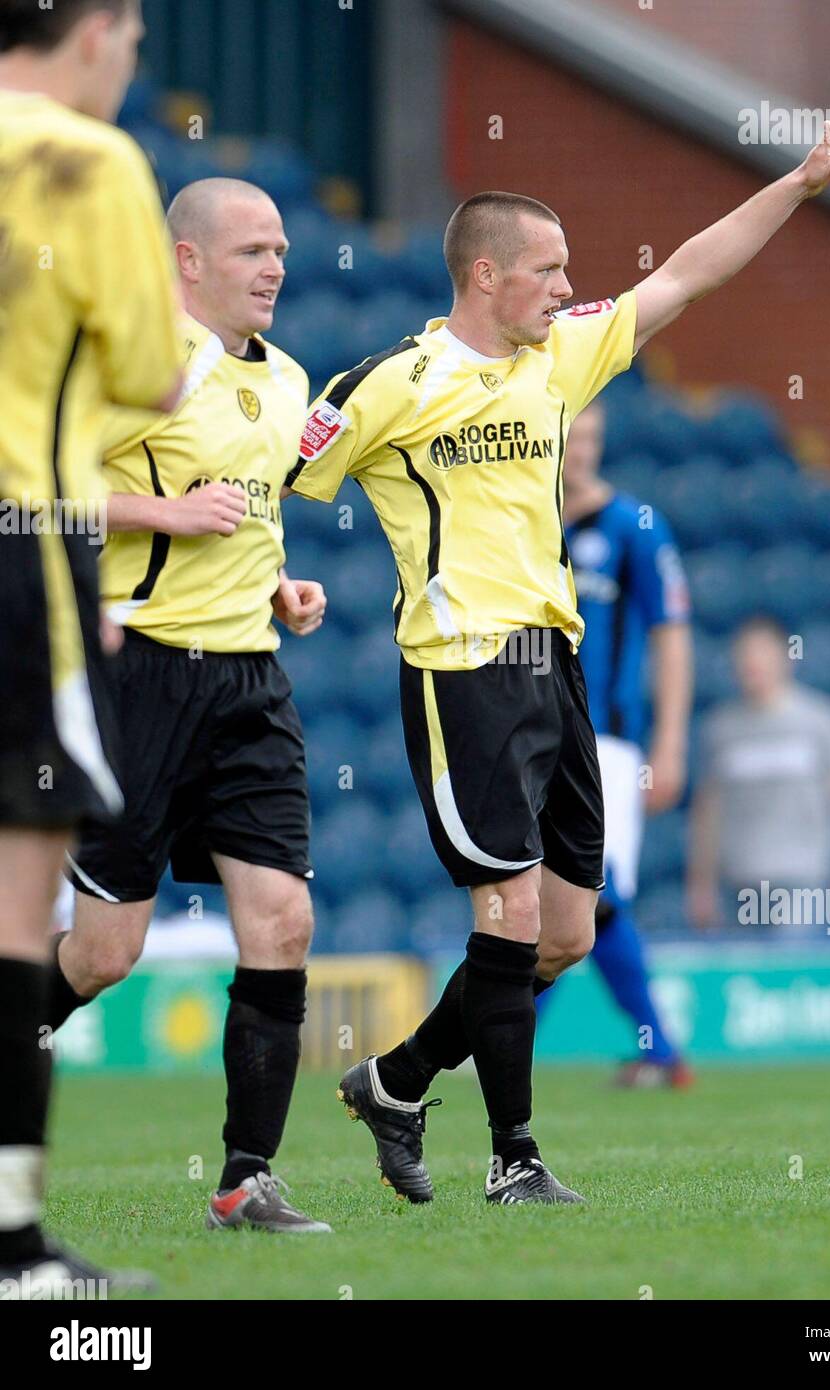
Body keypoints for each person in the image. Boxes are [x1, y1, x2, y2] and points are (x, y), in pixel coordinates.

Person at [286, 122, 830, 1205]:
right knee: (502, 917)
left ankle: (396, 1079)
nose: (567, 284)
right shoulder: (387, 384)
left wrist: (792, 183)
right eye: (548, 267)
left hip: (557, 672)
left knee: (563, 935)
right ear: (486, 273)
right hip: (461, 671)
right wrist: (265, 580)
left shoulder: (561, 353)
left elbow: (689, 271)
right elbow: (266, 474)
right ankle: (515, 1160)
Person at [47, 178, 331, 1235]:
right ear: (186, 261)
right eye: (252, 248)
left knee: (284, 920)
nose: (274, 268)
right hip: (142, 675)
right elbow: (31, 489)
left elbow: (247, 521)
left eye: (283, 249)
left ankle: (245, 1180)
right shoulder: (136, 366)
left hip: (249, 680)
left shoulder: (291, 376)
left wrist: (279, 586)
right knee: (104, 955)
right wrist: (163, 508)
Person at [0, 0, 184, 1295]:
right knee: (17, 911)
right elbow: (154, 371)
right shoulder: (87, 156)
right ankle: (13, 1250)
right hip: (23, 545)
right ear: (99, 28)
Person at [559, 400, 693, 1088]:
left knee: (592, 895)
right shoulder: (520, 519)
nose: (580, 449)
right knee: (556, 893)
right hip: (529, 738)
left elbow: (671, 635)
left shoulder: (634, 526)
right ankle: (659, 1051)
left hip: (605, 744)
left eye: (591, 437)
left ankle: (661, 1049)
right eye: (570, 435)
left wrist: (669, 743)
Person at [687, 616, 830, 933]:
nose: (754, 665)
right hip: (741, 884)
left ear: (785, 658)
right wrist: (701, 884)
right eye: (745, 656)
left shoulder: (821, 721)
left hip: (805, 880)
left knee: (792, 970)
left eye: (762, 654)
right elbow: (709, 811)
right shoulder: (720, 729)